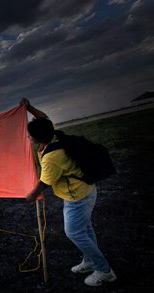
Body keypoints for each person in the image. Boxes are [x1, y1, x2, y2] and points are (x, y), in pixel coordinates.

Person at [21, 98, 116, 287]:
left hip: (78, 197)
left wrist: (31, 195)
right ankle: (90, 261)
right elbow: (44, 118)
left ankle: (105, 271)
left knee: (74, 232)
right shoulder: (52, 135)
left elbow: (45, 183)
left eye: (30, 136)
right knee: (85, 229)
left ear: (39, 138)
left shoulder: (51, 157)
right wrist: (29, 108)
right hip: (83, 192)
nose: (28, 138)